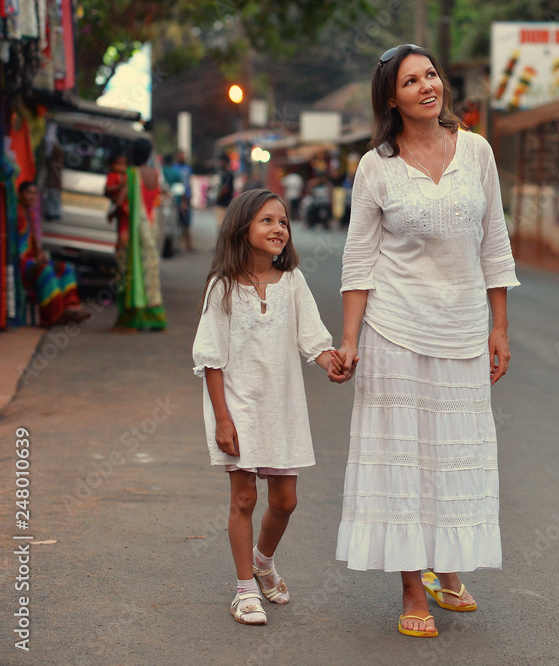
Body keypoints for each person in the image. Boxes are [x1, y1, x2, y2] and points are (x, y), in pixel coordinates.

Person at [331, 44, 519, 639]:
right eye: (411, 81)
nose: (426, 86)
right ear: (391, 98)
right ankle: (413, 588)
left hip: (462, 330)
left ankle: (447, 569)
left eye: (431, 75)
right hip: (395, 331)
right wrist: (350, 339)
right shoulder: (376, 167)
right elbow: (359, 259)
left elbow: (494, 242)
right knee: (405, 462)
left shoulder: (477, 151)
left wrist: (499, 326)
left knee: (454, 454)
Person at [192, 189, 343, 625]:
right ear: (242, 228)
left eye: (283, 222)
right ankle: (244, 591)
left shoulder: (292, 281)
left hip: (282, 407)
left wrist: (335, 363)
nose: (279, 228)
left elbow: (313, 338)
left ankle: (262, 561)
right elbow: (211, 358)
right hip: (237, 408)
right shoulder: (221, 287)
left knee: (286, 501)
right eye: (267, 220)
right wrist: (222, 419)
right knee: (244, 498)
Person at [104, 141, 168, 331]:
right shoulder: (154, 174)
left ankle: (129, 320)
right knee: (149, 274)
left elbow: (120, 201)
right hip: (149, 229)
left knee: (127, 273)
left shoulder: (131, 174)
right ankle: (153, 318)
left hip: (130, 232)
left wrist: (111, 211)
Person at [16, 181, 90, 326]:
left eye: (35, 193)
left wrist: (39, 253)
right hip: (20, 262)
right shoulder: (16, 215)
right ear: (20, 195)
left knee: (65, 267)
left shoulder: (30, 215)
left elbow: (33, 244)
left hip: (31, 258)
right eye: (28, 192)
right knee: (45, 269)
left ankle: (71, 308)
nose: (32, 196)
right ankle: (54, 314)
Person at [215, 155, 235, 228]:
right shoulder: (222, 174)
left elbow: (225, 189)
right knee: (222, 224)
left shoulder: (226, 175)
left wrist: (217, 196)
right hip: (223, 203)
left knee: (223, 224)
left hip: (225, 202)